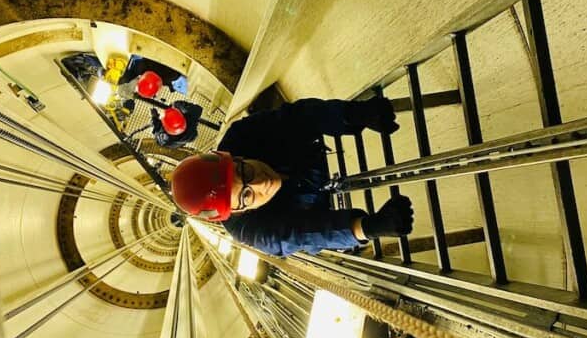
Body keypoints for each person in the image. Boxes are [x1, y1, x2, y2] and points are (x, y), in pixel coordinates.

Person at [170, 97, 414, 256]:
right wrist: (368, 228)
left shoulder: (241, 136)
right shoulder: (250, 230)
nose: (261, 182)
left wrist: (353, 115)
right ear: (238, 211)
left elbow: (299, 117)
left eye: (245, 171)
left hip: (307, 158)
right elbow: (300, 234)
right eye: (247, 195)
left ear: (236, 158)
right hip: (309, 208)